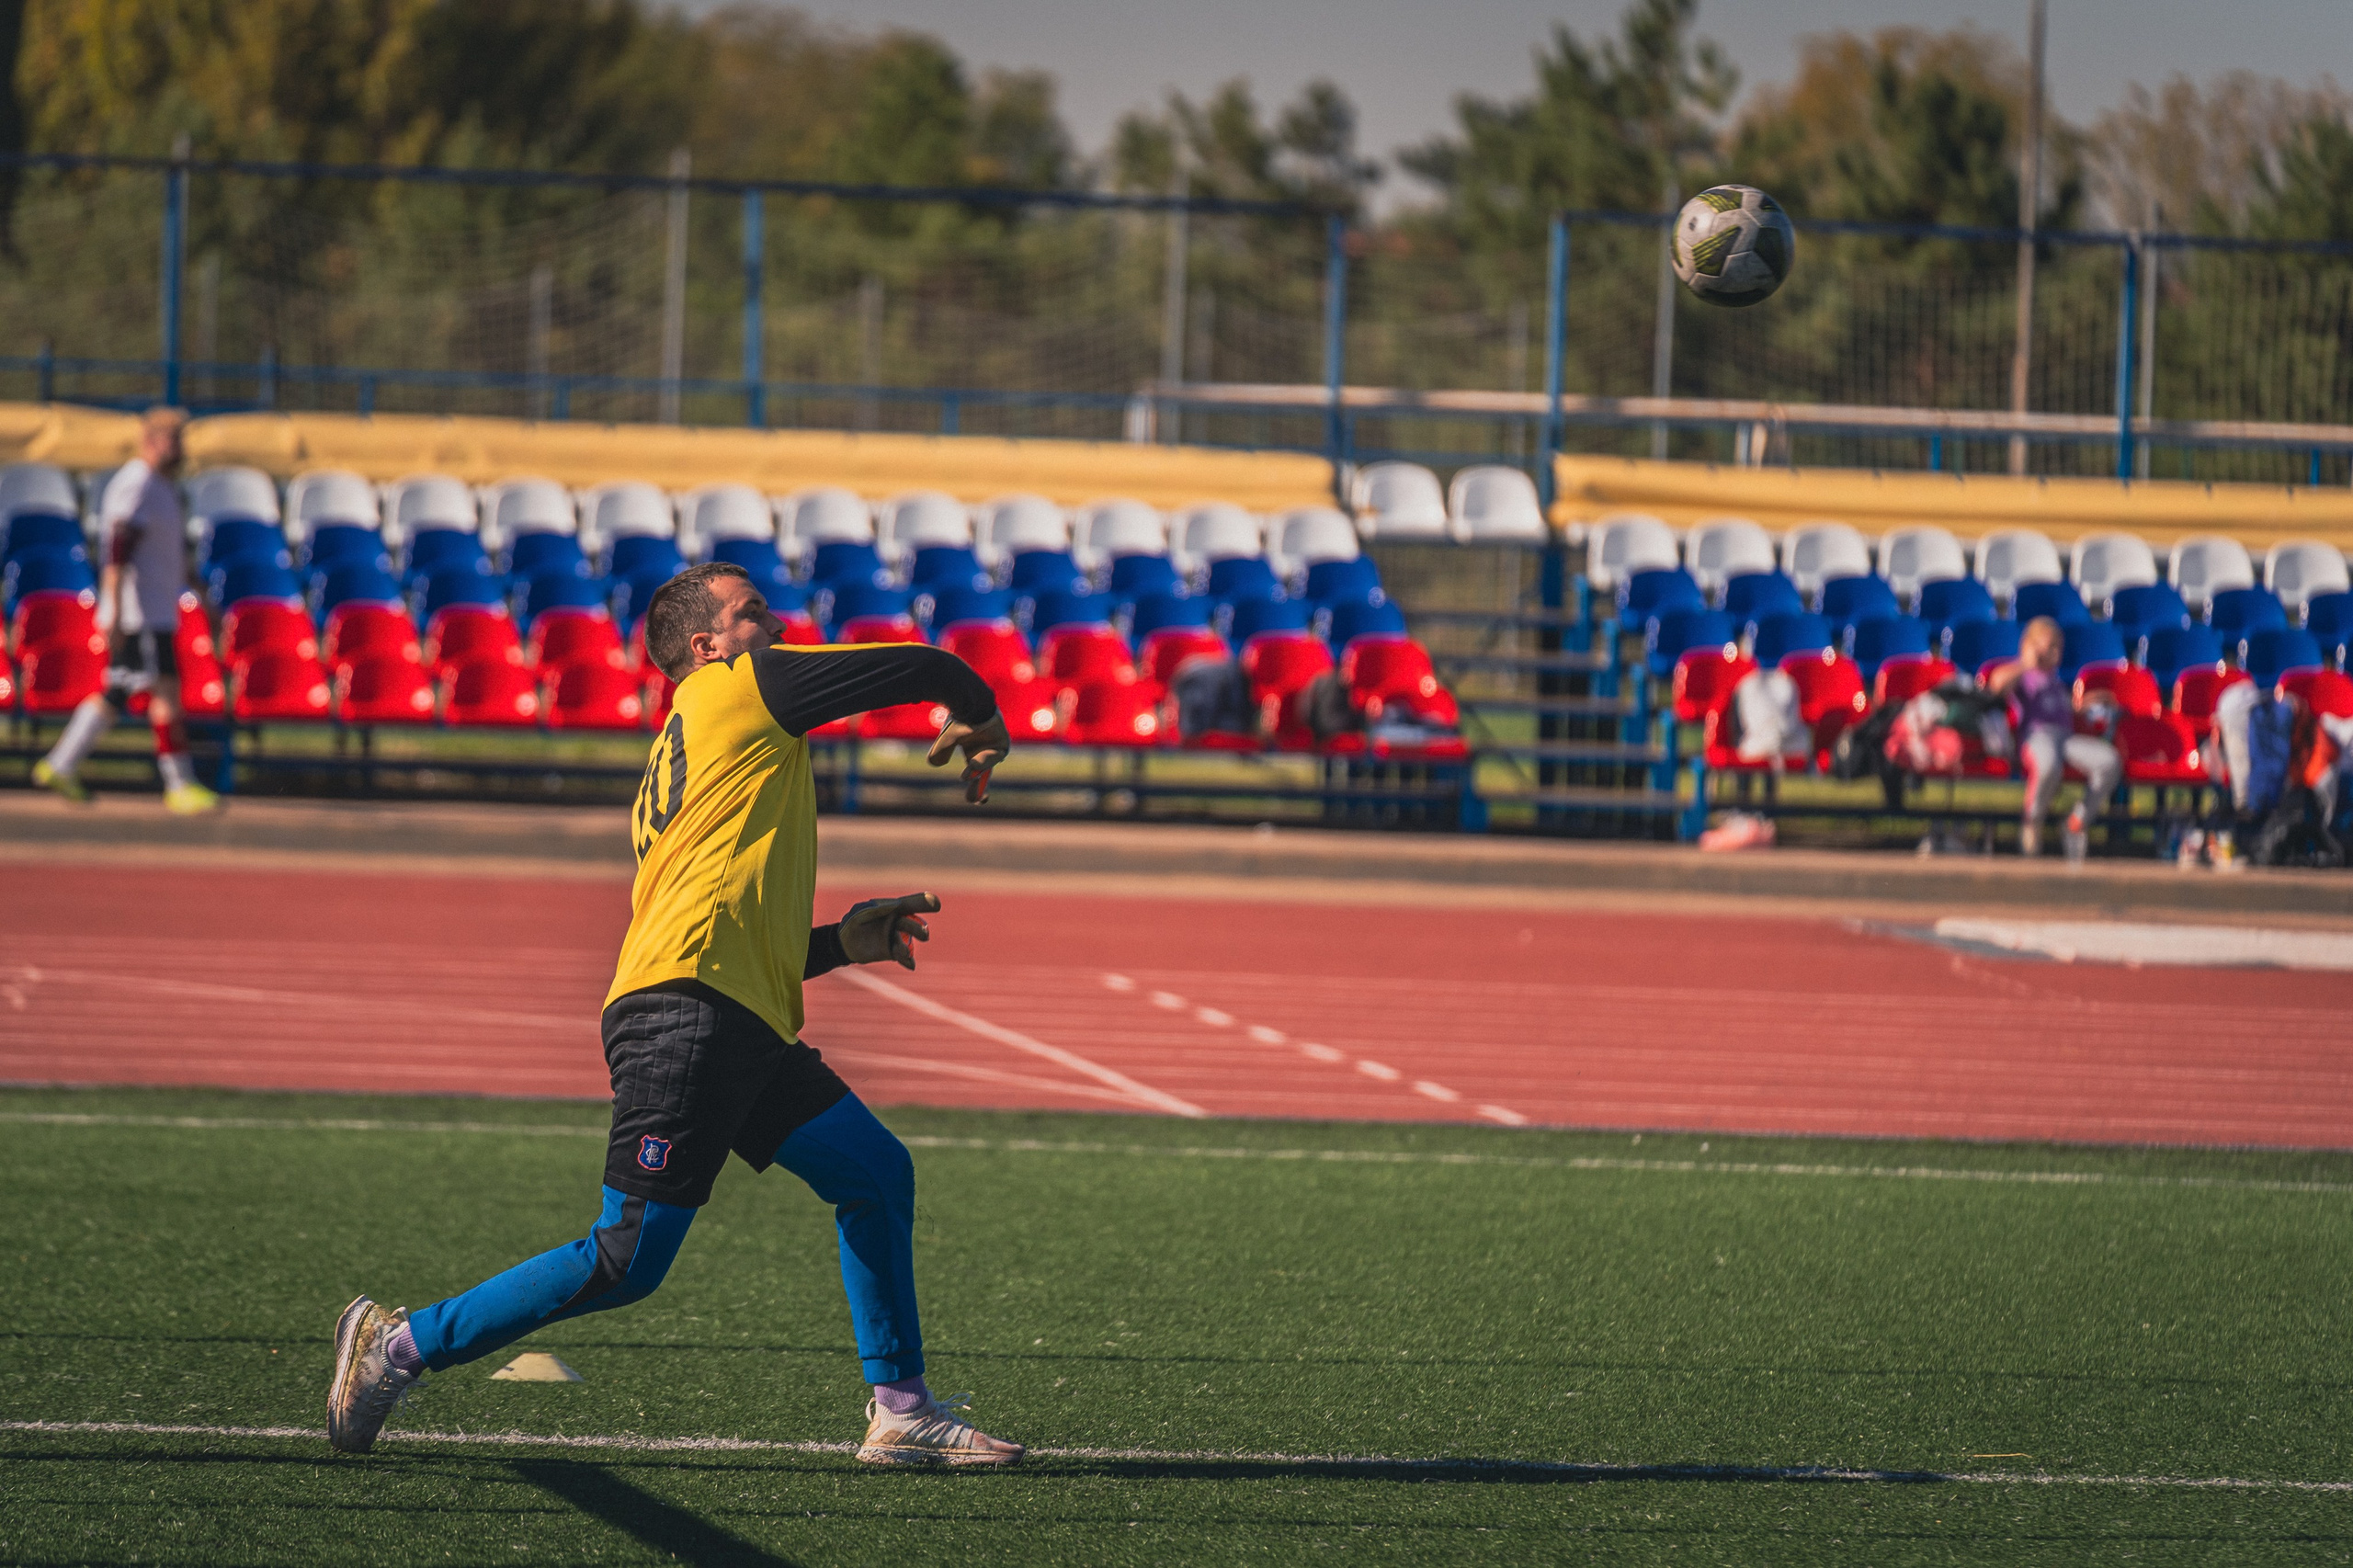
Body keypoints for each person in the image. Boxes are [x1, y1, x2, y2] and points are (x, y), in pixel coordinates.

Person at [327, 562, 1021, 1465]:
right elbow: (924, 665)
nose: (774, 624)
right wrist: (980, 712)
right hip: (690, 1018)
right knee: (625, 1257)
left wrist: (838, 945)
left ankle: (901, 1408)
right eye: (752, 613)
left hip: (727, 1014)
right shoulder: (738, 689)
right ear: (707, 645)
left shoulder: (705, 737)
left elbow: (720, 930)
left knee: (873, 1172)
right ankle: (400, 1344)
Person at [32, 406, 220, 812]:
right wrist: (113, 609)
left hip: (155, 609)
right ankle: (180, 783)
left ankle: (61, 763)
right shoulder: (137, 484)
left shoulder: (165, 488)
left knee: (117, 691)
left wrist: (198, 589)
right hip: (141, 611)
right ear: (151, 441)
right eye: (173, 439)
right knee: (165, 690)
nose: (180, 448)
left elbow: (169, 550)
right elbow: (119, 550)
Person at [1983, 616, 2120, 856]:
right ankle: (2031, 823)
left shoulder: (2054, 678)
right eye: (2050, 646)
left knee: (2109, 760)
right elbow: (1995, 685)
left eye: (2059, 646)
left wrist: (2085, 705)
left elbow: (2063, 709)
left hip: (2065, 737)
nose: (2056, 653)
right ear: (2031, 645)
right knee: (2048, 766)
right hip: (2037, 737)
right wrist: (2027, 662)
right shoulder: (2023, 674)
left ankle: (2077, 822)